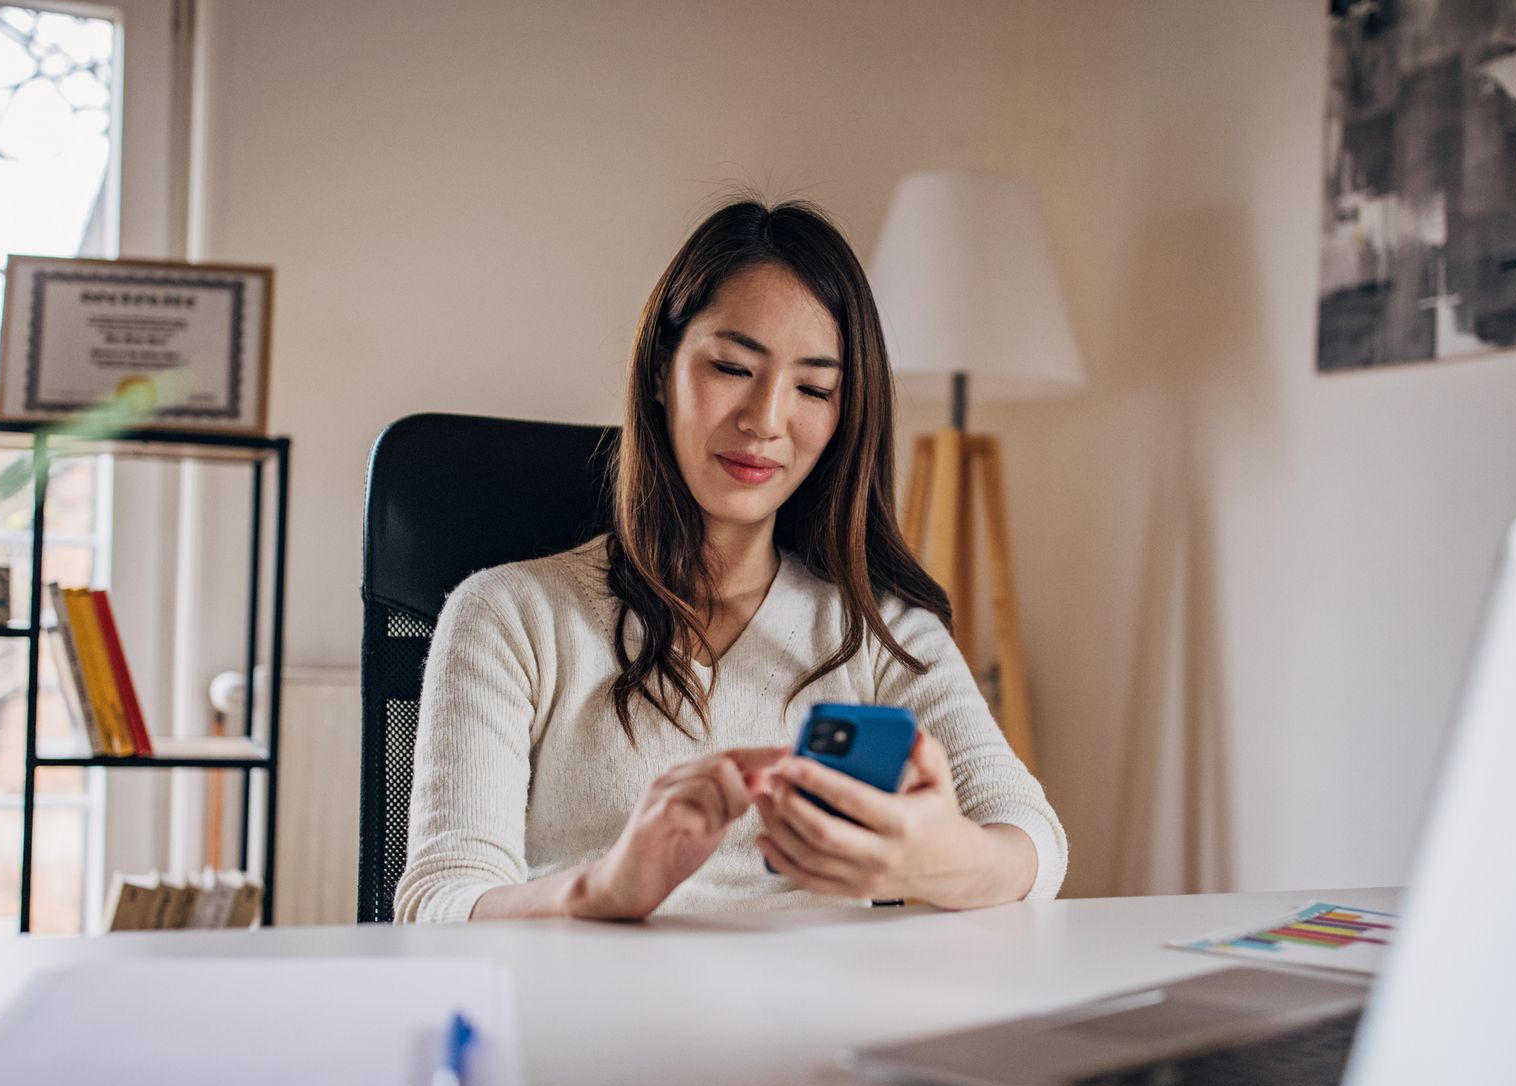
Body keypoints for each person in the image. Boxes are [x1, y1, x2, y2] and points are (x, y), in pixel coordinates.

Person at [394, 198, 1066, 924]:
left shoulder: (878, 629)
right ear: (660, 370)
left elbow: (1034, 843)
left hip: (816, 1025)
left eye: (813, 388)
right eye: (732, 366)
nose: (766, 420)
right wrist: (601, 891)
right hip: (594, 1023)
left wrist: (937, 859)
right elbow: (437, 901)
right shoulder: (509, 615)